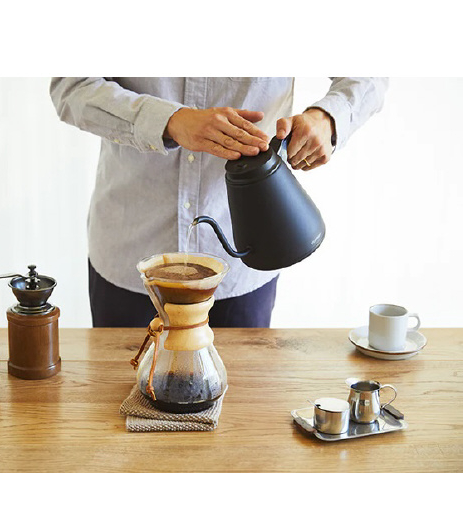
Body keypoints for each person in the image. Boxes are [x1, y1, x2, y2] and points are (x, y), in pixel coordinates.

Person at [50, 77, 388, 327]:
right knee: (120, 395)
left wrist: (327, 117)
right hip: (130, 253)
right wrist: (169, 120)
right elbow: (72, 86)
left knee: (242, 400)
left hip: (242, 269)